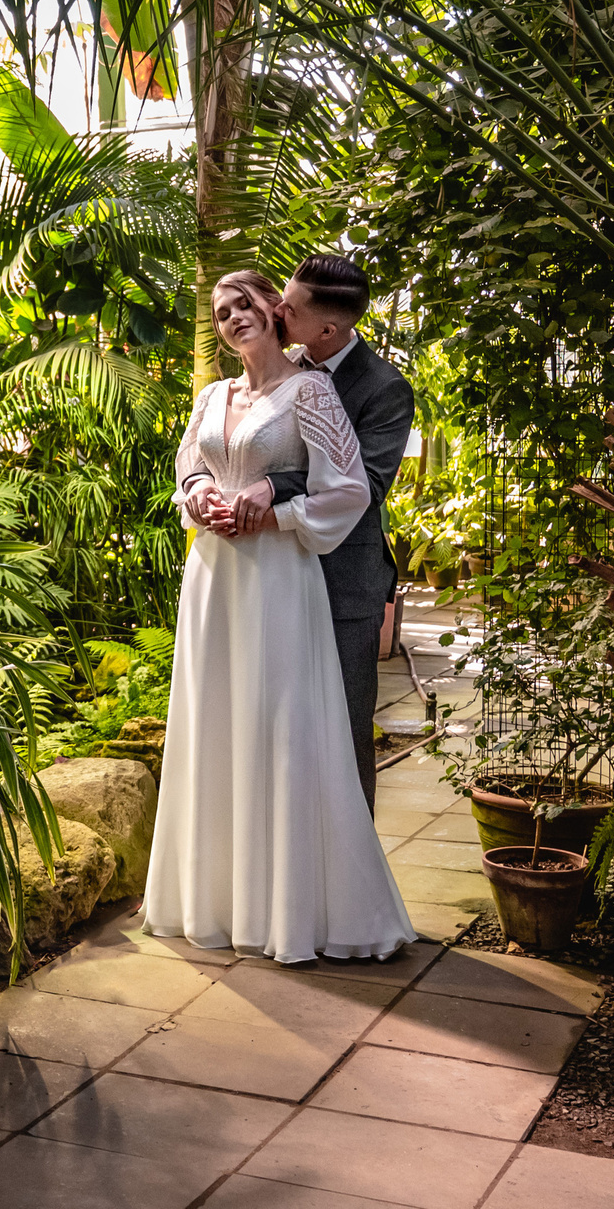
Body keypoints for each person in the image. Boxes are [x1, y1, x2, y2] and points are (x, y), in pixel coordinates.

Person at [146, 270, 415, 964]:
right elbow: (190, 462)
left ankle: (318, 901)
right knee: (223, 726)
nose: (246, 316)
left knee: (319, 741)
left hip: (305, 577)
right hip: (217, 581)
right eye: (222, 310)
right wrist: (200, 491)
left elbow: (357, 485)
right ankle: (223, 896)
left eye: (262, 305)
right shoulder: (215, 393)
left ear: (295, 317)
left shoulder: (345, 389)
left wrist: (274, 503)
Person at [221, 255, 416, 812]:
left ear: (328, 329)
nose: (275, 309)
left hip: (342, 585)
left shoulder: (383, 389)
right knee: (277, 732)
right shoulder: (275, 369)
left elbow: (368, 484)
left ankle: (350, 886)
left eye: (289, 306)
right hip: (271, 577)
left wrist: (272, 485)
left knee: (344, 732)